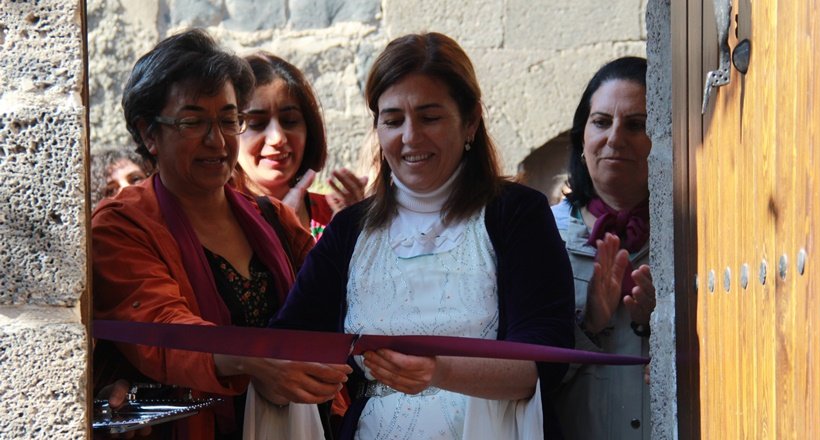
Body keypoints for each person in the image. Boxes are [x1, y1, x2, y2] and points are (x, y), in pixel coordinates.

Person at [270, 32, 575, 439]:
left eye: (430, 117)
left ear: (470, 121)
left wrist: (440, 372)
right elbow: (289, 339)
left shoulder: (518, 214)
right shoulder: (350, 230)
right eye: (393, 120)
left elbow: (546, 360)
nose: (410, 137)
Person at [91, 29, 350, 439]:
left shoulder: (273, 218)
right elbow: (160, 327)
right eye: (193, 121)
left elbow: (336, 308)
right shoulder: (122, 225)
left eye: (228, 120)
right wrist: (255, 359)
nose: (217, 140)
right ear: (148, 133)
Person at [550, 56, 655, 440]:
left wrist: (661, 325)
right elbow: (523, 379)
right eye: (601, 122)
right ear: (582, 137)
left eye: (636, 125)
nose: (614, 138)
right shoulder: (544, 236)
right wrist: (590, 324)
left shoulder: (696, 235)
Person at [236, 52, 367, 240]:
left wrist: (353, 234)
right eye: (257, 123)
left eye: (289, 121)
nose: (277, 138)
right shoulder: (216, 224)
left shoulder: (334, 216)